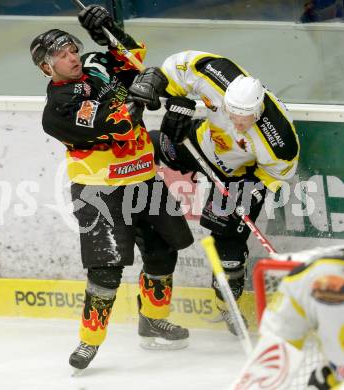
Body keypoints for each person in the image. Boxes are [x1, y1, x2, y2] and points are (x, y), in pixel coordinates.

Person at [29, 5, 193, 371]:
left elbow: (131, 57)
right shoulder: (58, 110)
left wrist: (107, 30)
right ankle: (89, 341)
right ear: (46, 67)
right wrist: (144, 88)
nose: (72, 56)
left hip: (144, 178)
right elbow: (118, 123)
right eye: (61, 54)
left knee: (163, 251)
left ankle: (152, 319)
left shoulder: (95, 65)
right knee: (105, 270)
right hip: (100, 192)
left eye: (73, 48)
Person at [129, 50, 300, 334]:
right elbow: (176, 68)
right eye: (230, 114)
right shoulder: (218, 74)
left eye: (242, 120)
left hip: (238, 177)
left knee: (228, 249)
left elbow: (276, 175)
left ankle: (227, 305)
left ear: (257, 112)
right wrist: (165, 91)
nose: (235, 122)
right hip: (197, 143)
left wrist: (250, 193)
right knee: (147, 144)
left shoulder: (278, 140)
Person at [231, 246, 344, 389]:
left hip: (308, 275)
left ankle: (332, 374)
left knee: (264, 376)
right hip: (318, 277)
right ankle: (333, 373)